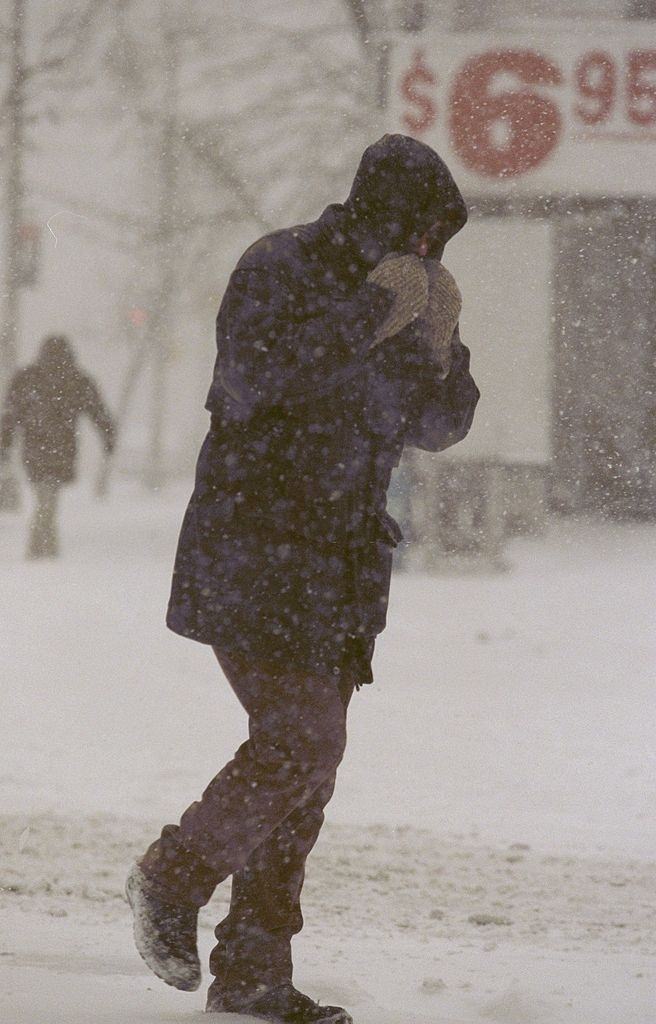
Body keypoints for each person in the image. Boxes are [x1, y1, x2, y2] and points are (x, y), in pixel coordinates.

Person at [126, 134, 480, 1024]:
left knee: (306, 772)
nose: (431, 255)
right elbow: (253, 383)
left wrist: (437, 343)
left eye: (443, 241)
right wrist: (371, 312)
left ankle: (253, 974)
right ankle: (171, 877)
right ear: (386, 214)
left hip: (339, 563)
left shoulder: (409, 294)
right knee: (301, 743)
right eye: (423, 232)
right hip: (255, 544)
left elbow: (437, 427)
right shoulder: (281, 266)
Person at [0, 334, 116, 558]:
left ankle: (41, 545)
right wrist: (108, 438)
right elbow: (98, 413)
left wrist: (5, 445)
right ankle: (44, 545)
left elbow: (10, 416)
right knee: (48, 496)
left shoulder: (28, 378)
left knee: (45, 494)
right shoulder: (75, 379)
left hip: (35, 449)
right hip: (61, 449)